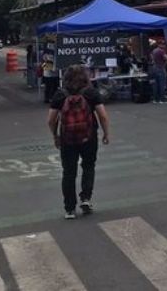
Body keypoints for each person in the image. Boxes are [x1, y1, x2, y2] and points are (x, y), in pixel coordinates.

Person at [47, 65, 110, 219]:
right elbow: (102, 115)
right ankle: (86, 198)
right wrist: (106, 133)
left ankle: (69, 209)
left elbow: (51, 120)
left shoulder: (60, 94)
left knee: (68, 172)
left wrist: (55, 136)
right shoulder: (91, 92)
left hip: (67, 139)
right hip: (89, 137)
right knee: (88, 166)